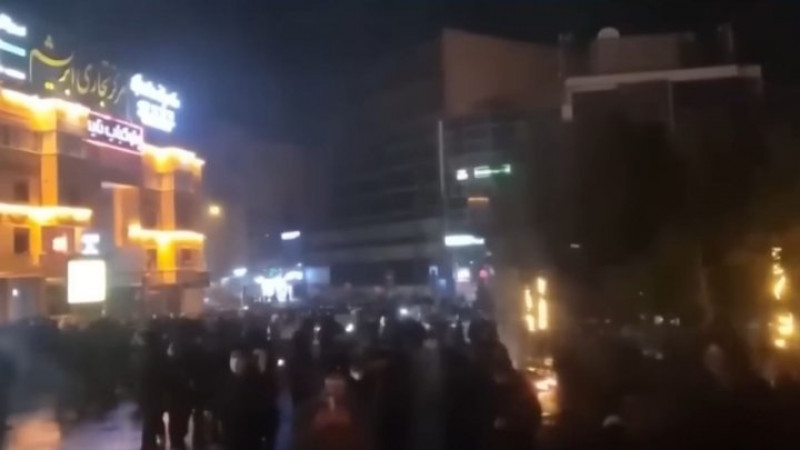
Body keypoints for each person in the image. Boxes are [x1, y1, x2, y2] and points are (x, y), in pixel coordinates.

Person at [220, 350, 260, 449]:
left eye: (239, 360)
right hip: (232, 428)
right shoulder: (227, 380)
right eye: (233, 359)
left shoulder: (251, 381)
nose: (236, 363)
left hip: (245, 427)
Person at [137, 330, 166, 450]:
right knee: (156, 418)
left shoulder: (144, 356)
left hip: (148, 393)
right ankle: (159, 441)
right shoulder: (160, 355)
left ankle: (149, 445)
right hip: (157, 393)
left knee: (149, 420)